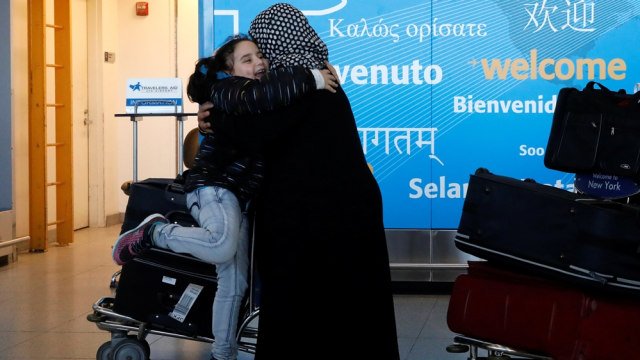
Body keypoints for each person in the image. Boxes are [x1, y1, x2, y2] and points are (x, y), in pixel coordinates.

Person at [112, 34, 338, 360]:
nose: (258, 62)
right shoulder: (230, 91)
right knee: (221, 245)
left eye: (260, 55)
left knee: (233, 286)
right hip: (216, 187)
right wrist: (314, 77)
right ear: (229, 70)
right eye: (247, 59)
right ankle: (154, 232)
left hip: (240, 198)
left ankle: (223, 354)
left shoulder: (257, 96)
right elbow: (269, 95)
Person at [199, 4, 400, 360]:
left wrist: (212, 119)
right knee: (355, 309)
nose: (262, 60)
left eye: (262, 48)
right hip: (342, 211)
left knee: (301, 308)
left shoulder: (297, 81)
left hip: (318, 217)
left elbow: (257, 133)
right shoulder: (314, 75)